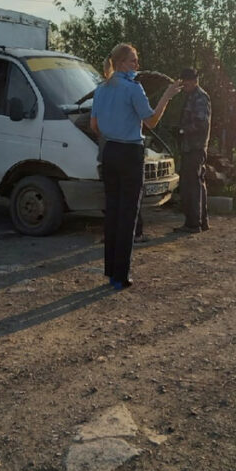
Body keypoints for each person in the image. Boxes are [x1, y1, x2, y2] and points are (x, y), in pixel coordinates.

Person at [91, 43, 181, 289]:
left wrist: (113, 128)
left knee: (112, 211)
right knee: (128, 214)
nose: (137, 66)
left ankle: (111, 271)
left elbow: (94, 126)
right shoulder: (133, 88)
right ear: (121, 63)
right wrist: (167, 96)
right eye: (133, 61)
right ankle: (121, 276)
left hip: (109, 151)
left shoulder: (101, 89)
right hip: (130, 152)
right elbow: (151, 120)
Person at [175, 67, 211, 234]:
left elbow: (201, 123)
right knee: (197, 182)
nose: (183, 85)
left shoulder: (200, 97)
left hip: (195, 147)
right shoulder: (192, 96)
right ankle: (201, 221)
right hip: (190, 146)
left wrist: (182, 131)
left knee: (191, 184)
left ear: (193, 81)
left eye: (185, 82)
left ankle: (193, 223)